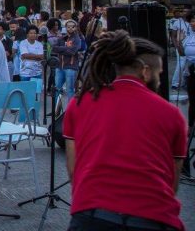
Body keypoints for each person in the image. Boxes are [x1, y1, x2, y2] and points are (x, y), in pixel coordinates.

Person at [63, 31, 187, 231]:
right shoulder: (171, 114)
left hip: (91, 214)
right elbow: (172, 180)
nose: (160, 80)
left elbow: (73, 167)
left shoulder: (80, 103)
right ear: (145, 71)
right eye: (159, 73)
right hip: (152, 217)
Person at [51, 19, 82, 106]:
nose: (70, 28)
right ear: (65, 27)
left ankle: (69, 110)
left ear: (75, 28)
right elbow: (54, 48)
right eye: (68, 26)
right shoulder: (62, 38)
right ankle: (55, 111)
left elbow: (72, 51)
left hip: (71, 67)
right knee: (57, 88)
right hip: (60, 66)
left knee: (70, 90)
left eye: (72, 26)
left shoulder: (77, 38)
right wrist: (66, 49)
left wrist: (61, 49)